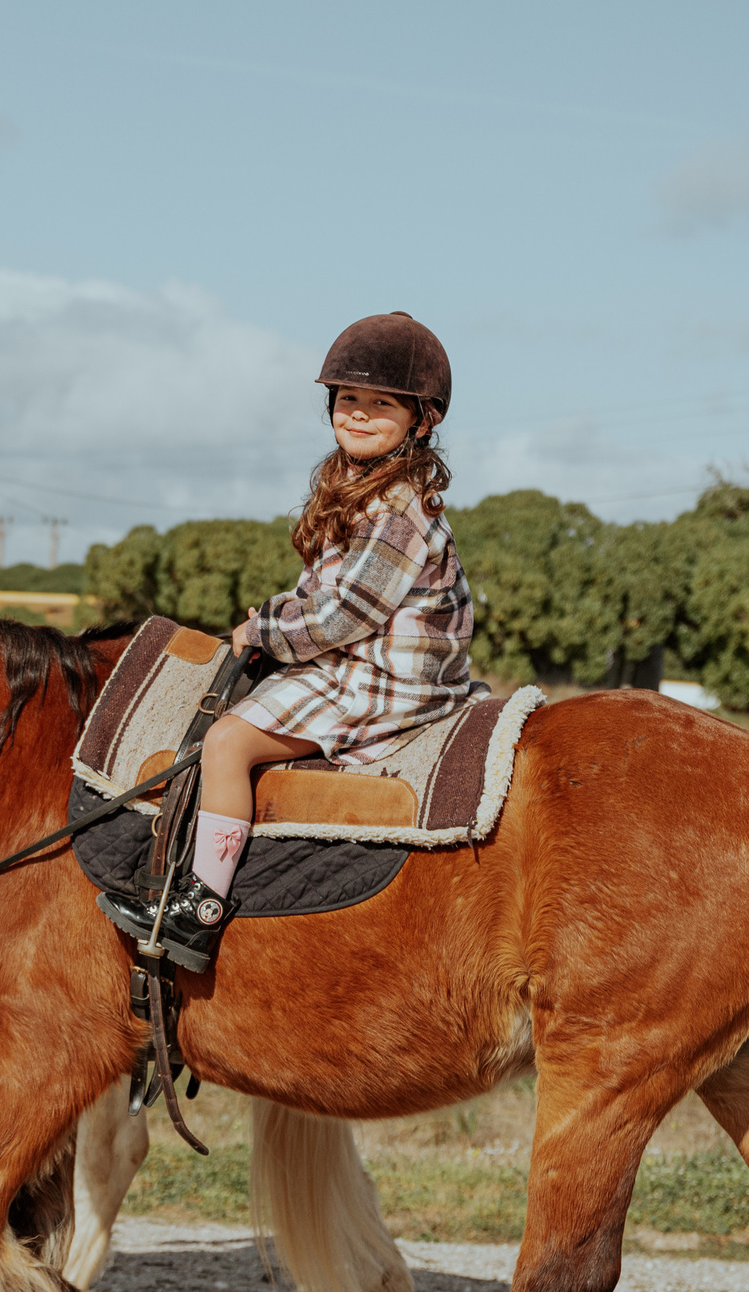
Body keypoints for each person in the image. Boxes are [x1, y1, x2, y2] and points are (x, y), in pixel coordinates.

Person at [96, 312, 477, 970]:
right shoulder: (357, 486)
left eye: (381, 404)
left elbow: (345, 615)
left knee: (227, 741)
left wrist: (266, 631)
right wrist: (270, 618)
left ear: (422, 420)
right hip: (353, 658)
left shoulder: (399, 508)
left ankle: (201, 906)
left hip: (386, 676)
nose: (358, 415)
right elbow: (318, 590)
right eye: (348, 398)